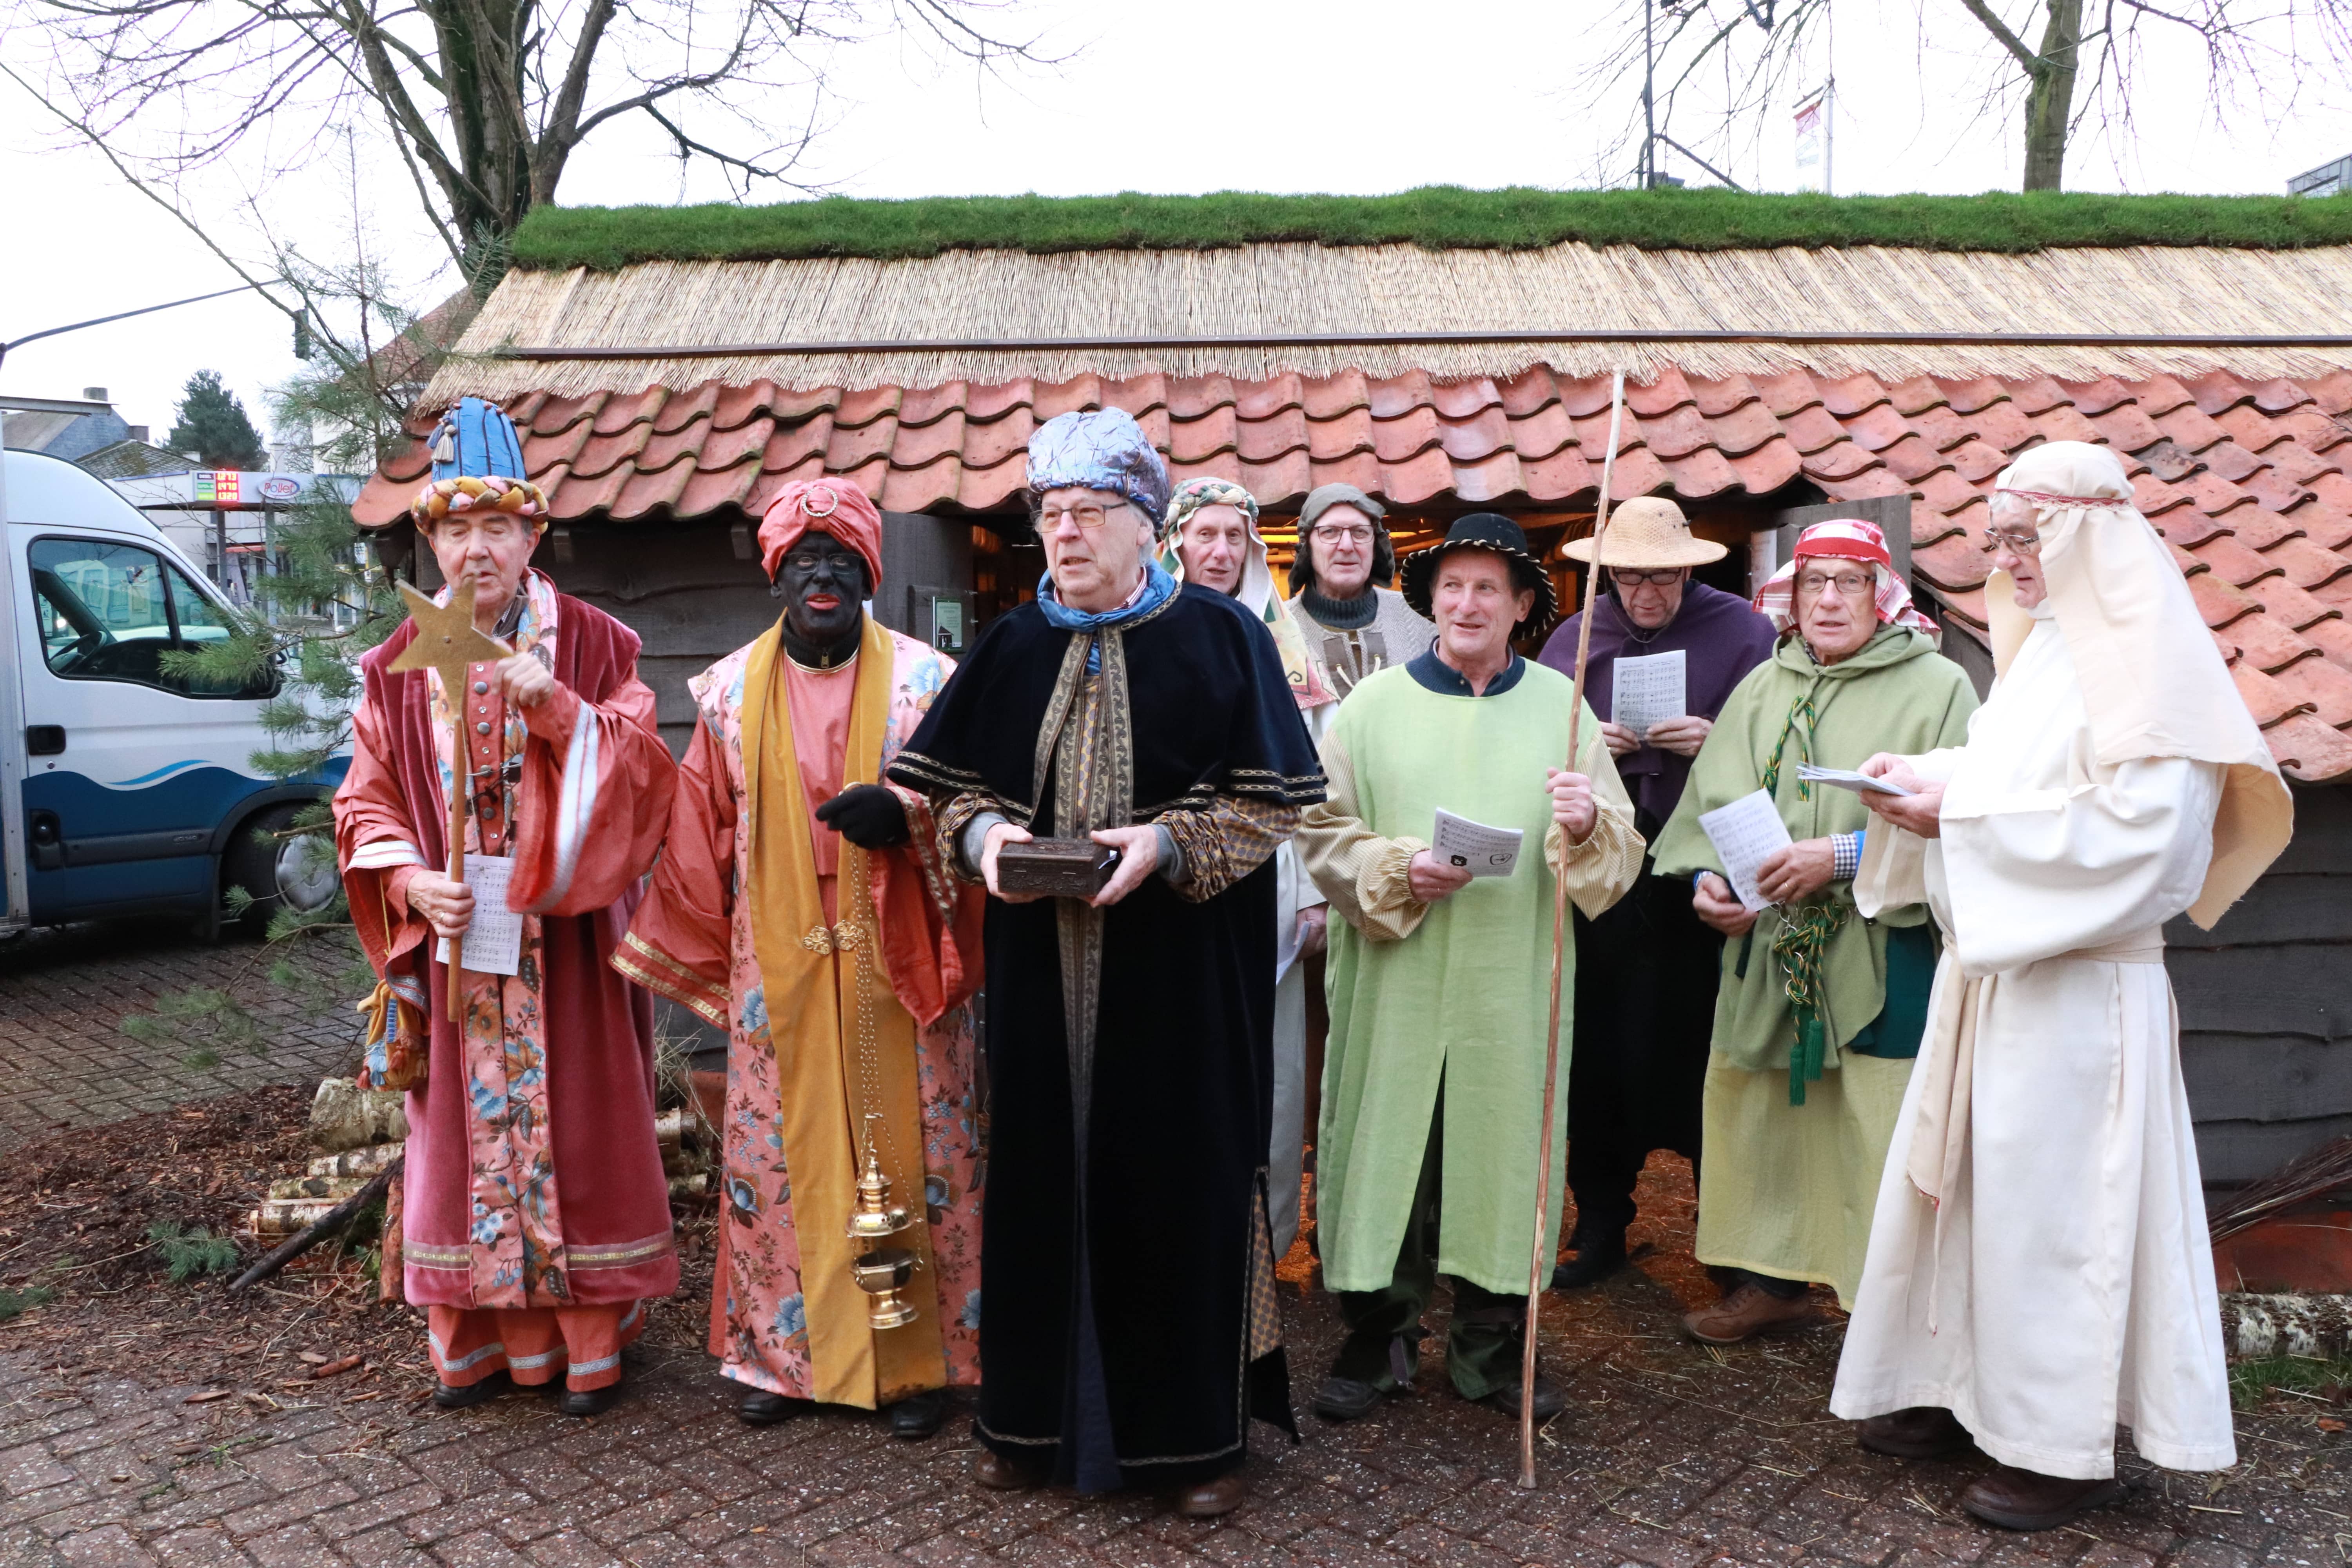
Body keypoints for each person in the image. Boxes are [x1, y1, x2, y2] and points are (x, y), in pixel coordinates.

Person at [1829, 442, 2292, 1531]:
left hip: (2082, 998)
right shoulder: (2047, 654)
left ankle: (2058, 1443)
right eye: (1998, 540)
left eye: (2023, 538)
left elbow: (2150, 844)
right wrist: (1923, 781)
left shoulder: (2150, 667)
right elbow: (2011, 782)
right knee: (1972, 1197)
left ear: (2085, 534)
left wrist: (1961, 819)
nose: (2005, 561)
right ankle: (1951, 1390)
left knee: (2055, 1220)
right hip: (1998, 982)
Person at [886, 408, 1326, 1517]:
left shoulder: (1222, 639)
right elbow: (950, 794)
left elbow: (1269, 806)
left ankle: (1195, 1447)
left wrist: (1168, 842)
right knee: (1036, 1181)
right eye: (1049, 512)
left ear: (1148, 528)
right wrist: (984, 840)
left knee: (1182, 1183)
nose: (1065, 532)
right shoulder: (1010, 645)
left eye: (1089, 513)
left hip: (1178, 984)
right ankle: (1025, 1425)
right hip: (1040, 986)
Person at [614, 478, 985, 1438]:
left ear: (871, 571)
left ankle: (912, 1363)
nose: (823, 576)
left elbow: (975, 807)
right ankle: (780, 1358)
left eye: (843, 559)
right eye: (803, 559)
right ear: (777, 574)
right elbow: (700, 830)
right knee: (779, 1154)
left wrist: (907, 818)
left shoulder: (929, 684)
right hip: (773, 956)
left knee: (910, 1155)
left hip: (895, 951)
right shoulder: (728, 689)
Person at [335, 397, 679, 1416]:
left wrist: (558, 710)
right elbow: (365, 794)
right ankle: (481, 1349)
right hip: (456, 951)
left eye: (498, 527)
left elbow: (647, 776)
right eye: (454, 528)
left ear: (533, 535)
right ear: (428, 538)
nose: (476, 549)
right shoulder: (393, 667)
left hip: (564, 948)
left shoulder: (599, 647)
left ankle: (587, 1352)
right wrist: (405, 879)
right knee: (456, 1148)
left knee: (580, 1138)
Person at [1296, 514, 1643, 1423]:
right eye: (1453, 585)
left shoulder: (1562, 711)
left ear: (1523, 606)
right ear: (1432, 602)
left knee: (1501, 1148)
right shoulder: (1371, 708)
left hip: (1512, 975)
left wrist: (1584, 824)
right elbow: (1323, 834)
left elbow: (1619, 860)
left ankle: (1491, 1346)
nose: (1467, 602)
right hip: (1396, 973)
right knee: (1388, 1151)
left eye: (1489, 587)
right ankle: (1379, 1336)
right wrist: (1394, 867)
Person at [1650, 520, 1976, 1345]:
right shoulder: (1767, 685)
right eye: (1814, 582)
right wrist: (1713, 886)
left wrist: (1842, 854)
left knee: (1877, 1119)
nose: (1829, 599)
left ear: (1883, 594)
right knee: (1765, 1112)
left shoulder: (1939, 685)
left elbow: (1972, 816)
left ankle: (1891, 1314)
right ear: (1790, 598)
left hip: (1882, 940)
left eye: (1850, 581)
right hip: (1773, 943)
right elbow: (1712, 808)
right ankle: (1773, 1283)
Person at [1541, 497, 1778, 1288]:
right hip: (1607, 875)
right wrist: (1583, 743)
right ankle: (1602, 1218)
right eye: (1631, 578)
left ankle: (1730, 1238)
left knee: (1710, 1044)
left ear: (1691, 569)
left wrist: (1719, 740)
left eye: (1664, 577)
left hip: (1702, 871)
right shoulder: (1576, 639)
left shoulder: (1745, 633)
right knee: (1600, 1047)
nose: (1647, 594)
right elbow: (1537, 748)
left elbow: (1781, 742)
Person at [1161, 477, 1334, 1258]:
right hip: (1165, 886)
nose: (1221, 550)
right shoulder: (1143, 634)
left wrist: (1313, 892)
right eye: (1206, 535)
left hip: (1273, 888)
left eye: (1236, 536)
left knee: (1274, 1067)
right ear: (1175, 545)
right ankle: (1181, 1228)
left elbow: (1314, 785)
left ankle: (1262, 1237)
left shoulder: (1286, 647)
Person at [1286, 483, 1436, 712]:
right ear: (1308, 546)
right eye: (1330, 532)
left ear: (1375, 545)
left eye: (1360, 532)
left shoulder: (1421, 620)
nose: (1347, 546)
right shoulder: (1277, 630)